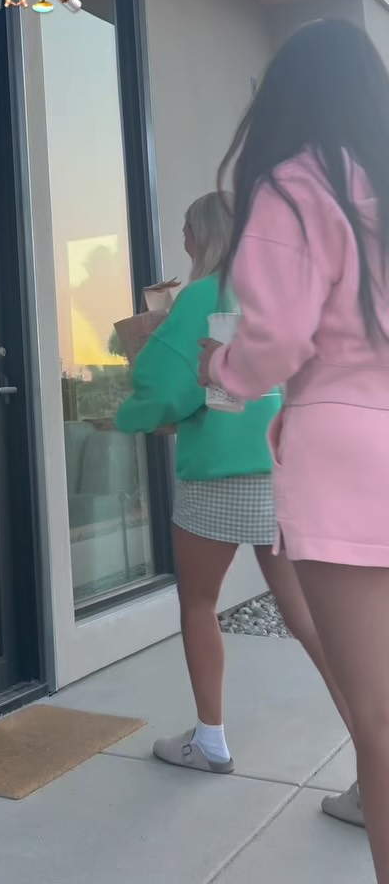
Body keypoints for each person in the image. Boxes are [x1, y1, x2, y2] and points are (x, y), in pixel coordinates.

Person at [199, 17, 389, 880]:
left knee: (379, 721)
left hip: (347, 454)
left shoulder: (295, 183)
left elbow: (273, 338)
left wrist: (220, 370)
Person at [116, 192, 348, 778]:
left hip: (217, 475)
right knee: (307, 616)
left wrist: (130, 416)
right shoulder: (286, 295)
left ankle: (210, 740)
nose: (184, 240)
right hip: (282, 472)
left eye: (187, 229)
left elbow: (165, 387)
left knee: (199, 604)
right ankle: (374, 754)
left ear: (205, 234)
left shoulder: (201, 297)